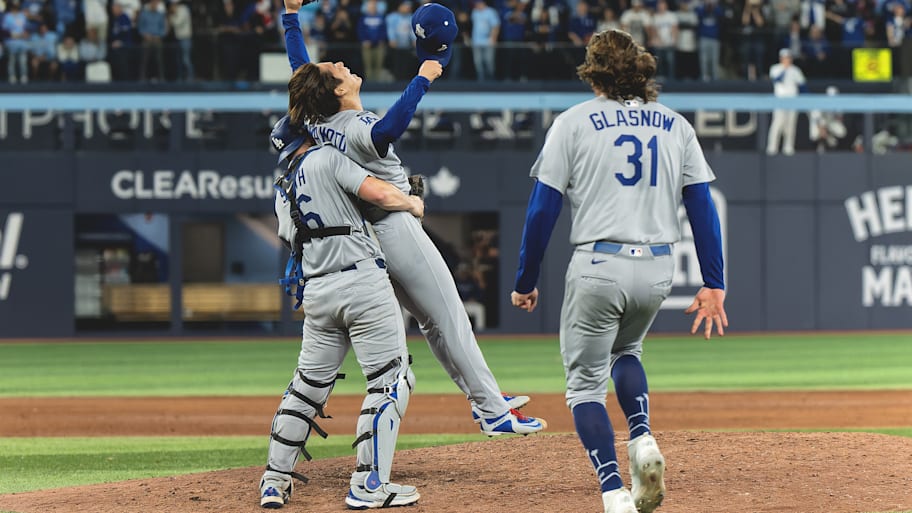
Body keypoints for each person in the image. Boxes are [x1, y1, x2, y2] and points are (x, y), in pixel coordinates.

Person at [281, 0, 544, 434]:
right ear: (338, 90)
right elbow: (388, 130)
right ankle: (492, 411)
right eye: (337, 68)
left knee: (435, 321)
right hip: (394, 226)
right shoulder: (354, 127)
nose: (342, 63)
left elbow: (301, 74)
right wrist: (423, 76)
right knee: (448, 318)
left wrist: (291, 17)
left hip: (371, 233)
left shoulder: (317, 120)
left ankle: (486, 399)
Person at [509, 29, 728, 513]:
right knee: (626, 350)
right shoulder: (676, 125)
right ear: (642, 69)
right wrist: (714, 282)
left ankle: (613, 491)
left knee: (584, 386)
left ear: (593, 71)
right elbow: (702, 207)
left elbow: (542, 211)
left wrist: (525, 281)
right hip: (656, 268)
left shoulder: (572, 122)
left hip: (599, 263)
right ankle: (643, 438)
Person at [259, 116, 424, 510]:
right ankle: (369, 483)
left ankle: (274, 480)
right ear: (307, 137)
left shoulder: (282, 189)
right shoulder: (326, 159)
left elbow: (288, 237)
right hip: (361, 282)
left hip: (317, 293)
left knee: (306, 388)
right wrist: (412, 203)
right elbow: (379, 193)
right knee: (391, 381)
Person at [766, 48, 805, 155]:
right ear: (781, 58)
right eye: (785, 58)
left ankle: (788, 148)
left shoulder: (795, 70)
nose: (787, 60)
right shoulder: (775, 68)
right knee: (777, 123)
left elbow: (802, 85)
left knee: (791, 125)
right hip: (780, 100)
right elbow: (777, 79)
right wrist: (785, 69)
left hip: (793, 100)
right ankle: (772, 148)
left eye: (788, 57)